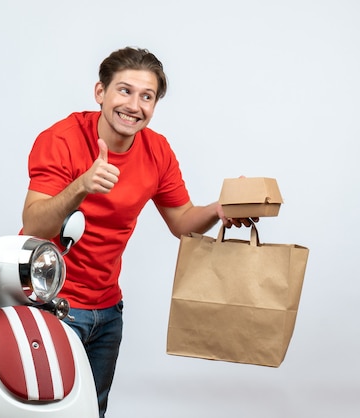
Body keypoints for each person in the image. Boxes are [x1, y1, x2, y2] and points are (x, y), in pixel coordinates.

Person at [21, 46, 254, 417]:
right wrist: (82, 185)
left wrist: (218, 210)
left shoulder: (157, 150)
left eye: (147, 96)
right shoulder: (61, 139)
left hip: (107, 308)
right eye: (125, 91)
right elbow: (34, 225)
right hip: (50, 301)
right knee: (47, 411)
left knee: (91, 411)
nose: (134, 105)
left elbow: (182, 223)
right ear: (101, 93)